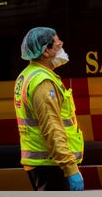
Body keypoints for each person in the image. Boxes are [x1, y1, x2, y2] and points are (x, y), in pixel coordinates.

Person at [13, 27, 84, 191]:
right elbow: (52, 128)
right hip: (52, 165)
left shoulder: (29, 74)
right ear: (45, 51)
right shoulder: (42, 82)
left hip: (46, 164)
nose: (62, 45)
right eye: (57, 43)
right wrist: (70, 168)